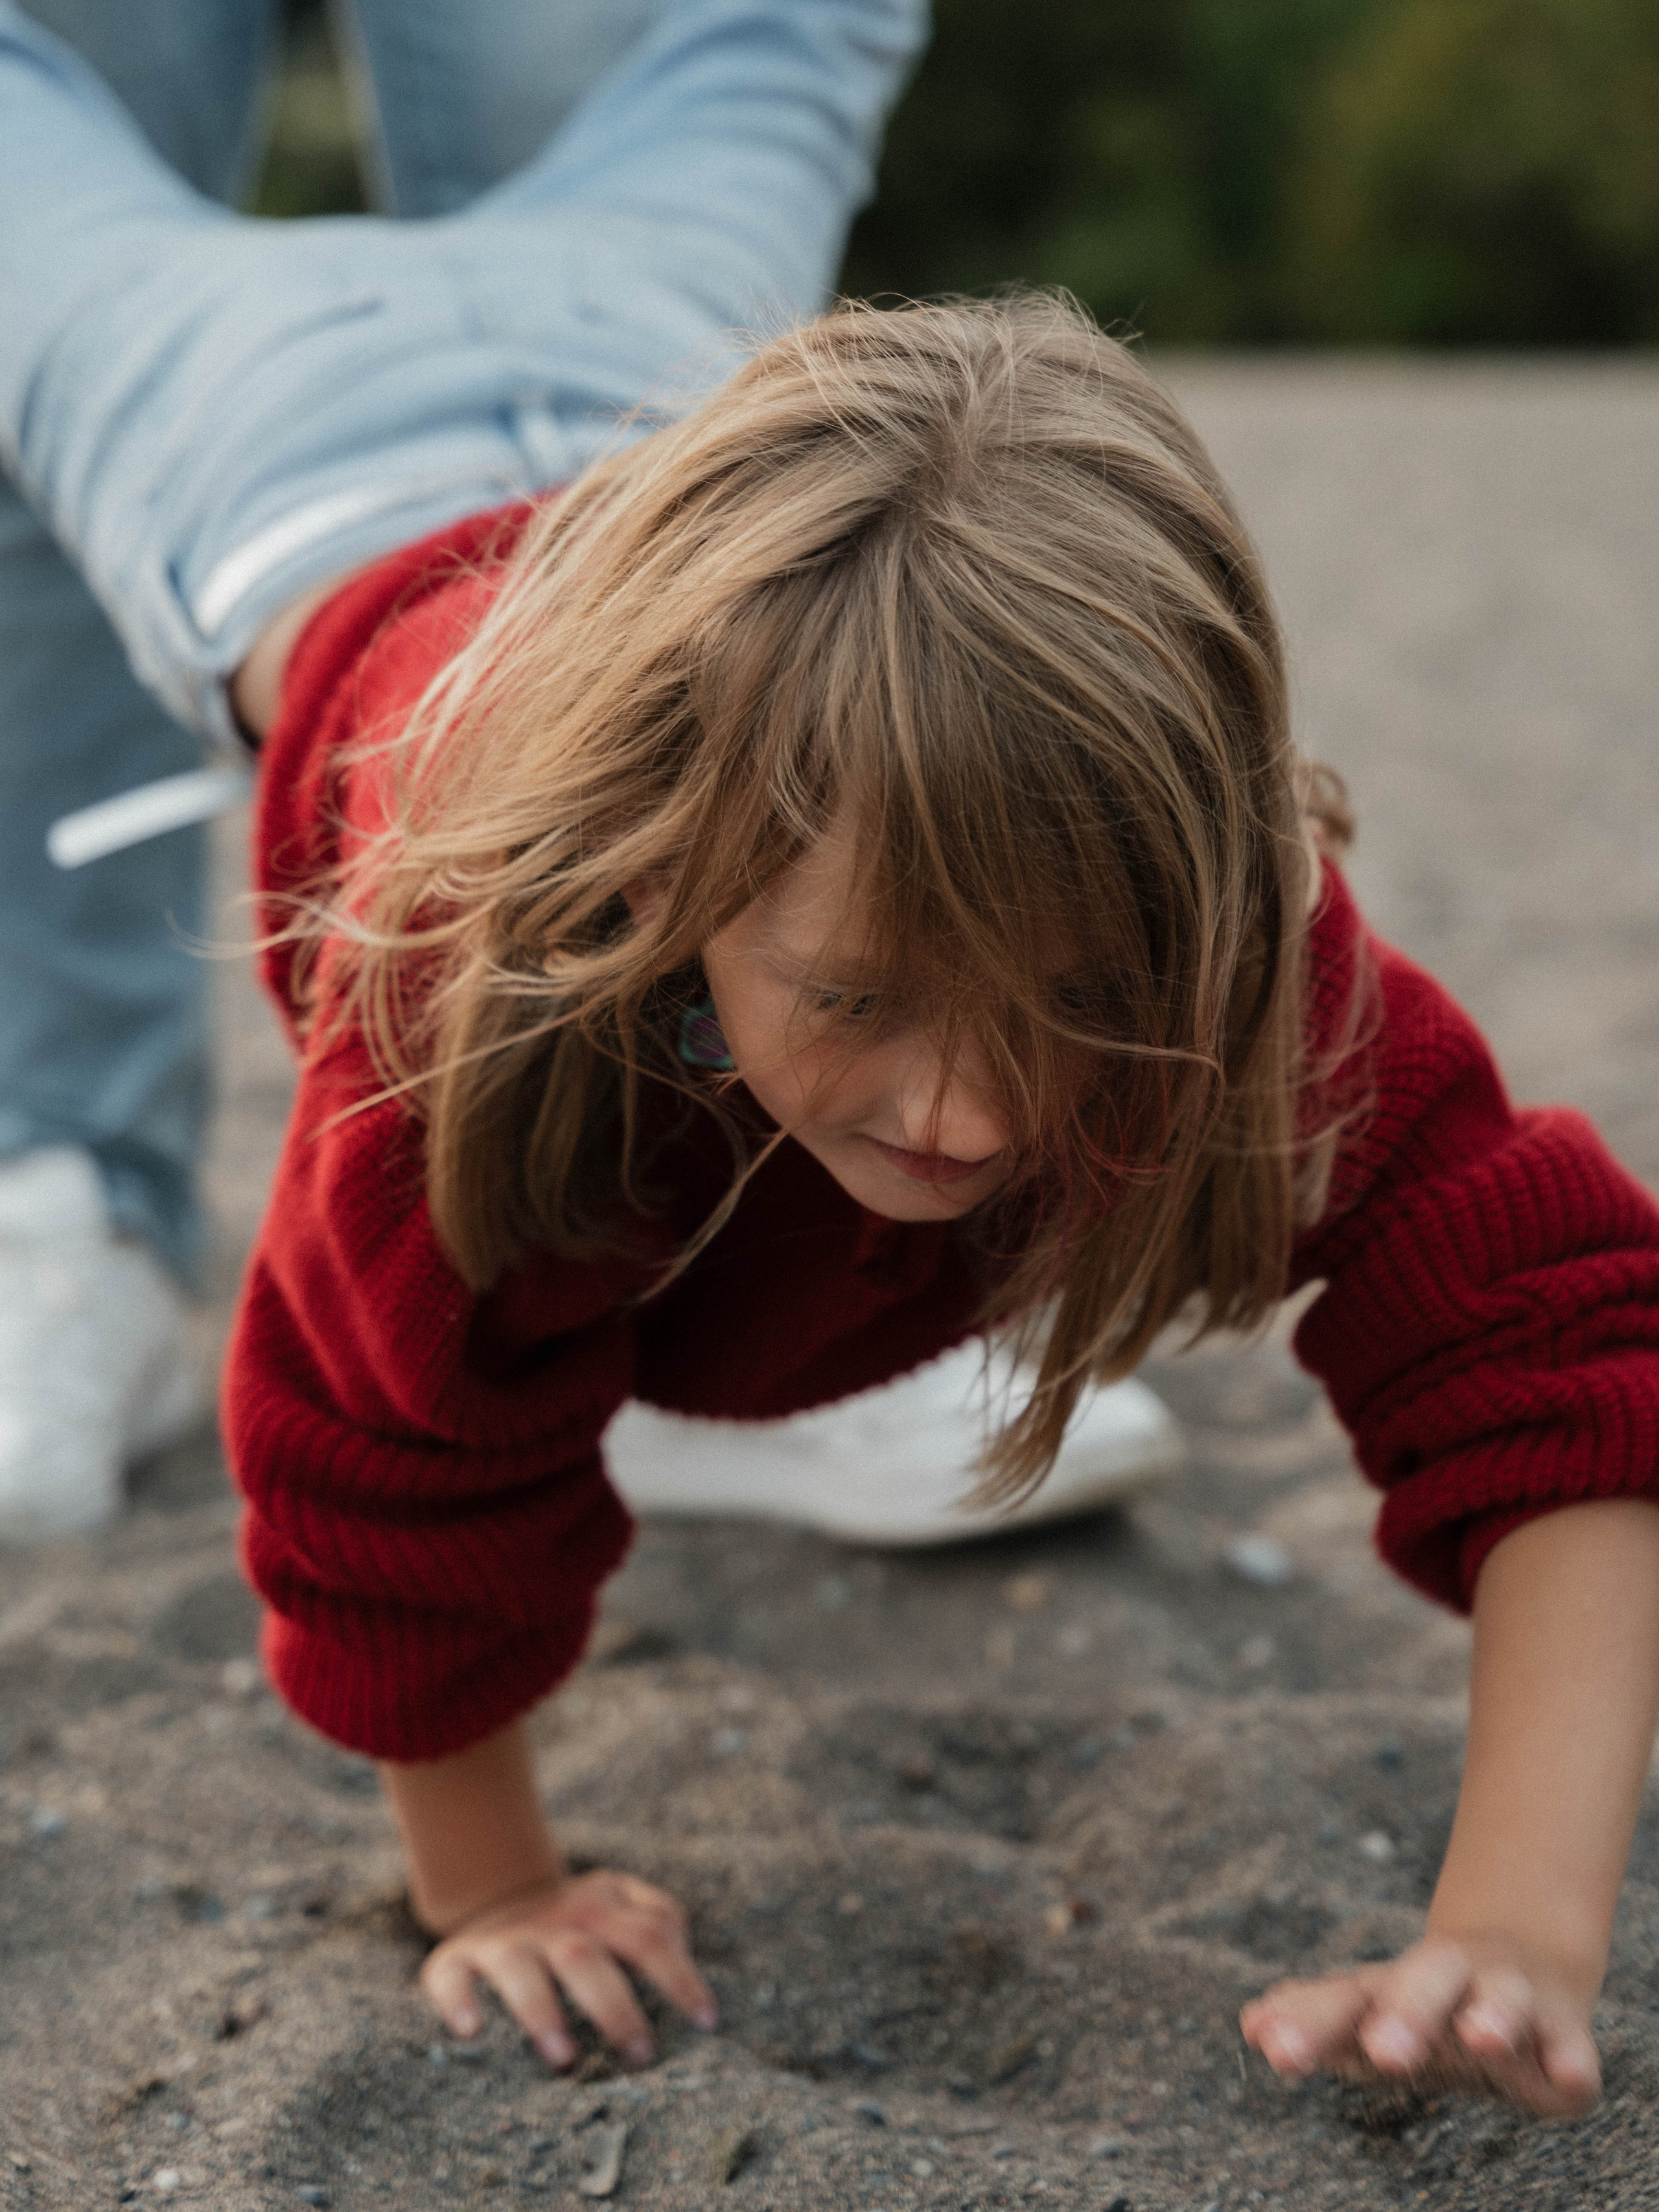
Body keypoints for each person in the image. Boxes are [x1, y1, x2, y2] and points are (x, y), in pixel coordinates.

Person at [5, 0, 1659, 2126]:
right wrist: (492, 1883)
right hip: (274, 414)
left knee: (772, 35)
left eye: (1065, 1006)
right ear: (684, 885)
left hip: (647, 347)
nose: (967, 1115)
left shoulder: (1211, 928)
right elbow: (385, 1453)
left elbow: (1562, 1355)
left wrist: (1517, 1925)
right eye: (856, 998)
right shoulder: (478, 971)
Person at [0, 0, 1183, 1539]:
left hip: (553, 343)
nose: (964, 1125)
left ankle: (773, 1272)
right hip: (464, 372)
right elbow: (378, 1505)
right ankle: (66, 1184)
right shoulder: (459, 912)